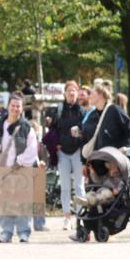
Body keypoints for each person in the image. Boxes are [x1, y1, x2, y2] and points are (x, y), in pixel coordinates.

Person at [0, 92, 40, 243]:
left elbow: (33, 149)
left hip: (21, 168)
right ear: (8, 106)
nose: (15, 108)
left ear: (22, 109)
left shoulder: (27, 127)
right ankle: (6, 232)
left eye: (18, 106)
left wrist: (20, 161)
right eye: (13, 105)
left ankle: (24, 232)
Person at [55, 81, 86, 230]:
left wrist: (79, 133)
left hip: (77, 151)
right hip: (63, 152)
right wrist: (56, 143)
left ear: (77, 93)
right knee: (65, 186)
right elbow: (53, 129)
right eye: (69, 90)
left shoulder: (81, 111)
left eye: (74, 90)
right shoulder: (59, 109)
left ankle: (81, 216)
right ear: (65, 93)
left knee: (79, 185)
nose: (71, 93)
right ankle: (67, 217)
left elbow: (86, 131)